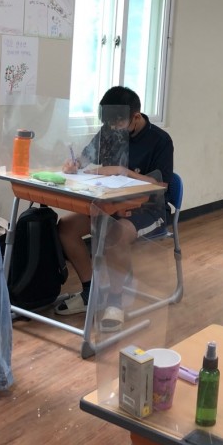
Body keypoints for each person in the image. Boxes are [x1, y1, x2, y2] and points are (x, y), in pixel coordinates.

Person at [55, 86, 174, 332]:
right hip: (109, 204)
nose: (112, 128)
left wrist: (122, 171)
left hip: (148, 209)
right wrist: (73, 164)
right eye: (108, 123)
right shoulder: (108, 131)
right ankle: (91, 291)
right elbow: (84, 159)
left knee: (114, 234)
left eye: (118, 122)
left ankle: (115, 301)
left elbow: (161, 186)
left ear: (136, 117)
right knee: (66, 228)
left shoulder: (160, 141)